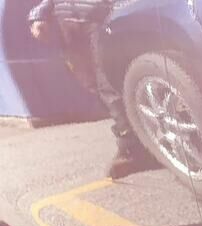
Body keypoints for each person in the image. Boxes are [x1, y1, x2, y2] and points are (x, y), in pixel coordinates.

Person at [28, 0, 152, 178]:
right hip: (68, 29)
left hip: (98, 20)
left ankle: (133, 148)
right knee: (94, 86)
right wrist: (38, 16)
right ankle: (141, 138)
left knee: (108, 85)